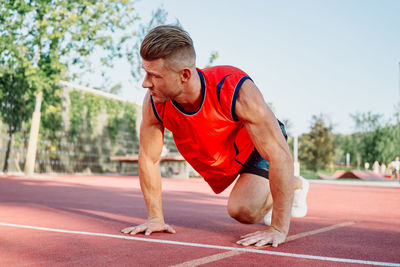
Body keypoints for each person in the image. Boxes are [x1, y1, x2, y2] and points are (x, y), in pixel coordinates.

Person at [121, 25, 309, 248]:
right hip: (223, 153)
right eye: (145, 72)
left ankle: (294, 185)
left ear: (184, 75)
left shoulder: (233, 89)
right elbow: (148, 158)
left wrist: (278, 228)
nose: (145, 83)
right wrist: (155, 218)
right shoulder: (154, 102)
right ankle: (286, 185)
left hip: (256, 146)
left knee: (244, 211)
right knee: (245, 205)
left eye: (154, 75)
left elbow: (279, 155)